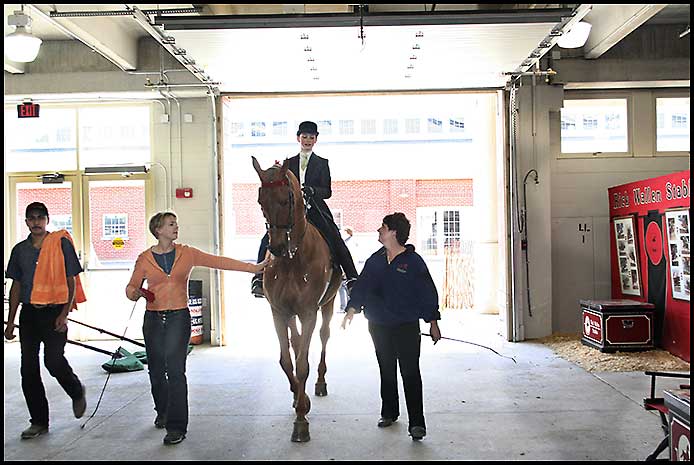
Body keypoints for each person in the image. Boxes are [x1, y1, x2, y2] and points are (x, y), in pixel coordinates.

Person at [125, 211, 269, 445]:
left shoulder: (187, 253)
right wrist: (135, 293)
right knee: (156, 371)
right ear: (158, 230)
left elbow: (219, 262)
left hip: (178, 318)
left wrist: (254, 268)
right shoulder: (144, 259)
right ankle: (163, 411)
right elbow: (131, 287)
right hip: (152, 319)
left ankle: (176, 426)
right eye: (171, 224)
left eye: (176, 224)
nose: (176, 227)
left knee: (175, 371)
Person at [341, 212, 441, 441]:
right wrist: (352, 309)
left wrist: (433, 322)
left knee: (410, 372)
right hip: (378, 326)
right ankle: (389, 412)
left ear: (394, 232)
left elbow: (427, 294)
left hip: (406, 327)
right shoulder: (375, 260)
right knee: (386, 370)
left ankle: (417, 423)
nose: (379, 230)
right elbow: (363, 286)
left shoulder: (413, 263)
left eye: (382, 227)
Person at [4, 202, 88, 440]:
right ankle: (39, 421)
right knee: (28, 369)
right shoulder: (19, 250)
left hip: (54, 312)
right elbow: (16, 287)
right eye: (32, 218)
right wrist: (10, 321)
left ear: (48, 220)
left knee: (53, 361)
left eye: (41, 217)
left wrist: (64, 313)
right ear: (26, 222)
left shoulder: (59, 244)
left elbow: (71, 280)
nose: (36, 222)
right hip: (29, 313)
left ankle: (75, 390)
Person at [251, 120, 358, 298]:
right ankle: (258, 276)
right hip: (292, 209)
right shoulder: (288, 163)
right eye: (304, 137)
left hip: (315, 206)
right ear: (298, 138)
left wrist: (313, 190)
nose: (307, 140)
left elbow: (328, 191)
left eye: (311, 137)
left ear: (315, 140)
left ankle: (351, 277)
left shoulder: (322, 163)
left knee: (334, 235)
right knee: (269, 235)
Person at [337, 227, 356, 313]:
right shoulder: (347, 242)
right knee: (343, 288)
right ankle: (345, 306)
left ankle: (346, 306)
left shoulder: (347, 243)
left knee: (345, 288)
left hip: (345, 271)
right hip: (343, 271)